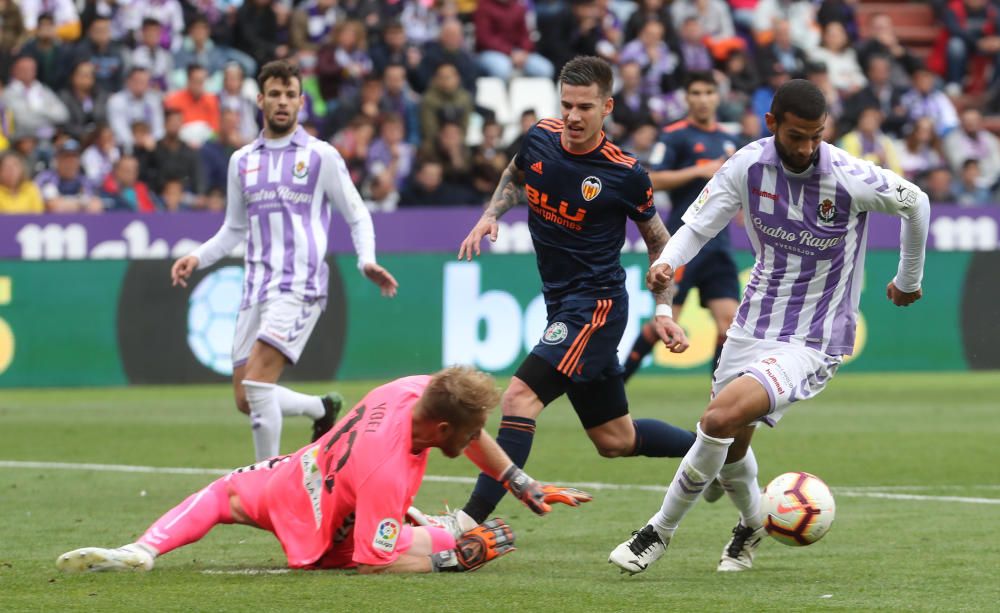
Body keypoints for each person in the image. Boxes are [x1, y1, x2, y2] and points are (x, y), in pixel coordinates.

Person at [609, 78, 929, 575]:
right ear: (771, 124)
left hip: (812, 339)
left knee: (716, 421)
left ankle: (657, 532)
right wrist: (668, 262)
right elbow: (698, 224)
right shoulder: (746, 165)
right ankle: (750, 524)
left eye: (815, 136)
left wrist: (908, 278)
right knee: (732, 443)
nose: (805, 148)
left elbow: (916, 202)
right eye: (796, 135)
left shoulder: (848, 176)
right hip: (753, 322)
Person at [427, 56, 697, 537]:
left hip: (596, 305)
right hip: (562, 302)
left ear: (607, 107)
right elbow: (515, 175)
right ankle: (712, 451)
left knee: (519, 397)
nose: (572, 116)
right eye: (566, 104)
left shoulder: (625, 173)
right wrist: (491, 214)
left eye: (585, 107)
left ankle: (465, 523)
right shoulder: (540, 139)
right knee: (616, 439)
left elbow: (661, 240)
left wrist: (662, 308)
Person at [56, 367, 591, 574]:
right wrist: (455, 559)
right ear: (443, 432)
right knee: (416, 541)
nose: (479, 440)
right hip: (327, 524)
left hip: (294, 474)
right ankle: (443, 535)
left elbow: (469, 432)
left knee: (224, 494)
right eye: (471, 432)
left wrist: (517, 481)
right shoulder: (386, 468)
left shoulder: (414, 390)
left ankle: (142, 550)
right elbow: (372, 563)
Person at [170, 60, 399, 462]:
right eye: (274, 94)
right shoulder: (241, 160)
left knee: (257, 387)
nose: (281, 101)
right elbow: (234, 230)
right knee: (246, 398)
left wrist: (366, 260)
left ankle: (266, 480)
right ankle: (320, 409)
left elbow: (356, 212)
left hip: (300, 286)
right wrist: (196, 256)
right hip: (255, 288)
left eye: (289, 94)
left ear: (300, 101)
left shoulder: (320, 156)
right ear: (260, 100)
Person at [622, 72, 741, 381]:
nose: (703, 99)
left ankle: (720, 402)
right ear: (687, 98)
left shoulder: (732, 142)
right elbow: (651, 178)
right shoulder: (674, 136)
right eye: (696, 93)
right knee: (663, 321)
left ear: (718, 97)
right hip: (683, 243)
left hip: (719, 246)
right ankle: (618, 382)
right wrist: (697, 171)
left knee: (730, 327)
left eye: (708, 92)